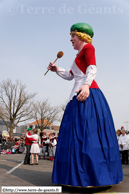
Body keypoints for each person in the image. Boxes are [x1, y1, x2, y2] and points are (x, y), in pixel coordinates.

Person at [47, 23, 123, 187]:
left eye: (73, 35)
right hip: (77, 93)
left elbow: (92, 67)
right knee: (76, 134)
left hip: (87, 93)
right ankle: (75, 177)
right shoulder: (77, 56)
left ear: (81, 35)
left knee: (87, 133)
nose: (71, 39)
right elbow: (71, 76)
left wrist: (87, 85)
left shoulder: (88, 48)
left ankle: (92, 177)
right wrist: (56, 69)